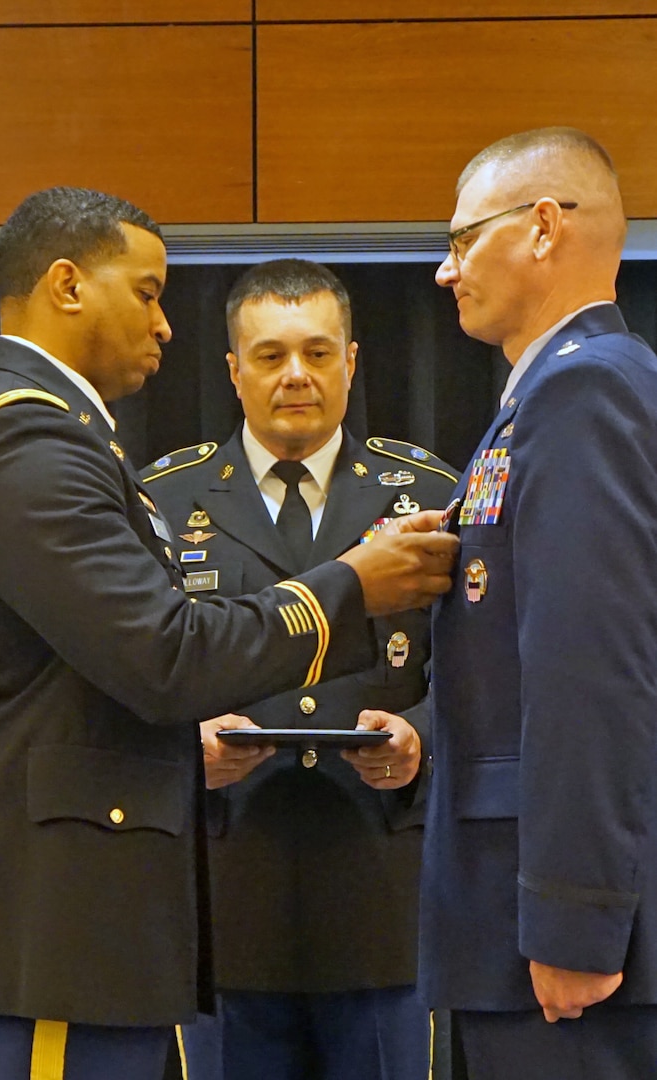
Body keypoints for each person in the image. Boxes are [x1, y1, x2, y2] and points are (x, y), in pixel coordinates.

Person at [0, 189, 459, 1080]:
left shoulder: (58, 434)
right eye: (145, 292)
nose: (163, 323)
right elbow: (164, 656)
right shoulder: (28, 436)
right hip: (59, 928)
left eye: (319, 352)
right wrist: (349, 586)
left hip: (327, 907)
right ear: (66, 284)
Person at [142, 258, 459, 1080]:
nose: (296, 377)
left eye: (319, 354)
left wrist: (421, 739)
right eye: (272, 355)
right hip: (223, 897)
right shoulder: (163, 504)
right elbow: (126, 676)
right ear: (233, 370)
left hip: (384, 901)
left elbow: (484, 677)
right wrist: (188, 746)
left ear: (352, 363)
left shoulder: (425, 495)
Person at [421, 126, 657, 1079]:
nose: (445, 271)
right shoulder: (564, 390)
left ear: (544, 228)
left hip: (561, 941)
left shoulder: (582, 392)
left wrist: (574, 917)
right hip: (524, 920)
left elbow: (589, 670)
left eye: (462, 238)